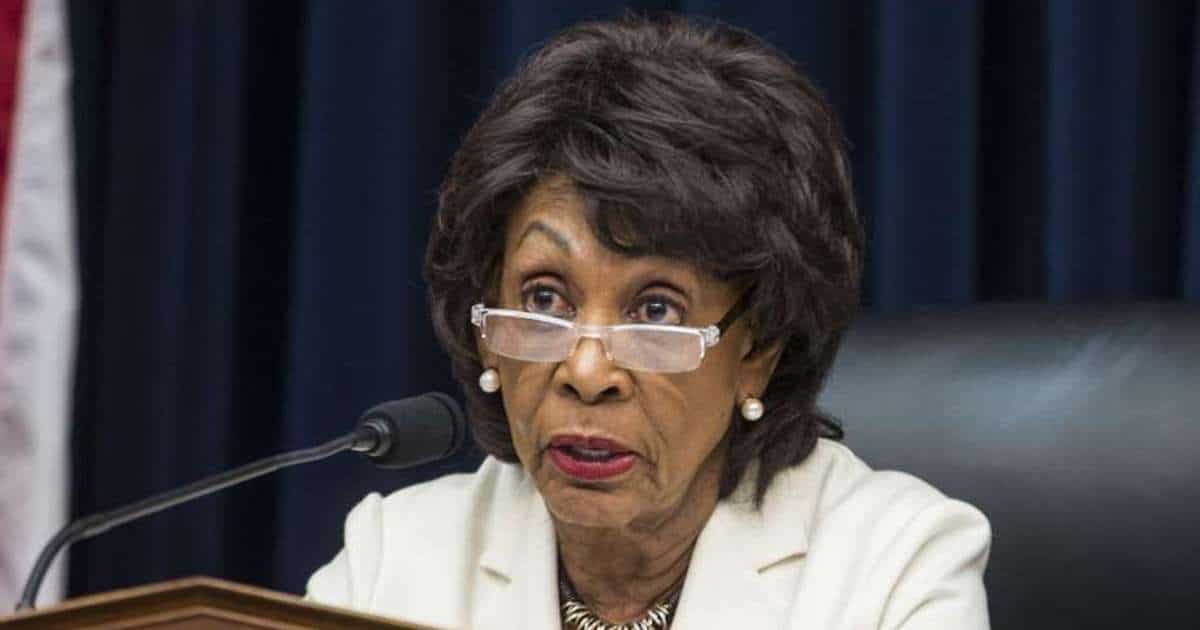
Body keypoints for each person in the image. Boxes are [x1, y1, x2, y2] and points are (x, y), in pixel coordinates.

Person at [307, 14, 990, 630]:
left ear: (758, 349)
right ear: (486, 329)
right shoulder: (393, 560)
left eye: (655, 309)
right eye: (545, 299)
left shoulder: (895, 566)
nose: (586, 371)